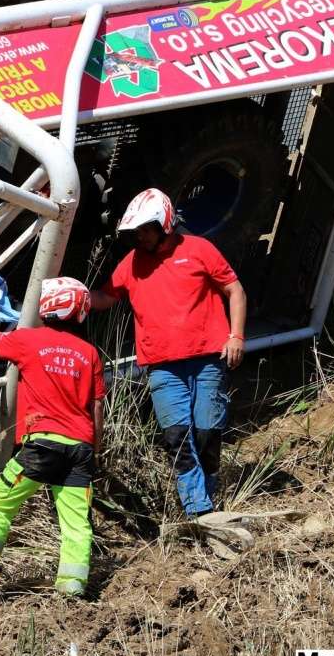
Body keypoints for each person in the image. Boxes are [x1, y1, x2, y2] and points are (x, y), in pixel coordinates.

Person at [89, 188, 247, 518]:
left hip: (208, 359)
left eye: (146, 229)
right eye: (137, 231)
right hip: (161, 366)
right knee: (178, 436)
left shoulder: (200, 249)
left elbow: (235, 290)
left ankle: (208, 497)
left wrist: (236, 336)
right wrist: (76, 296)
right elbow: (106, 296)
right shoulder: (132, 263)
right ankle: (198, 511)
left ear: (164, 224)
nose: (140, 236)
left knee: (207, 432)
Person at [0, 277, 106, 598]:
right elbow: (96, 409)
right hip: (80, 450)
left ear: (47, 307)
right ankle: (71, 591)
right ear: (79, 310)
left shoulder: (29, 340)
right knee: (76, 525)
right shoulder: (89, 354)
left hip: (42, 447)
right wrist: (95, 454)